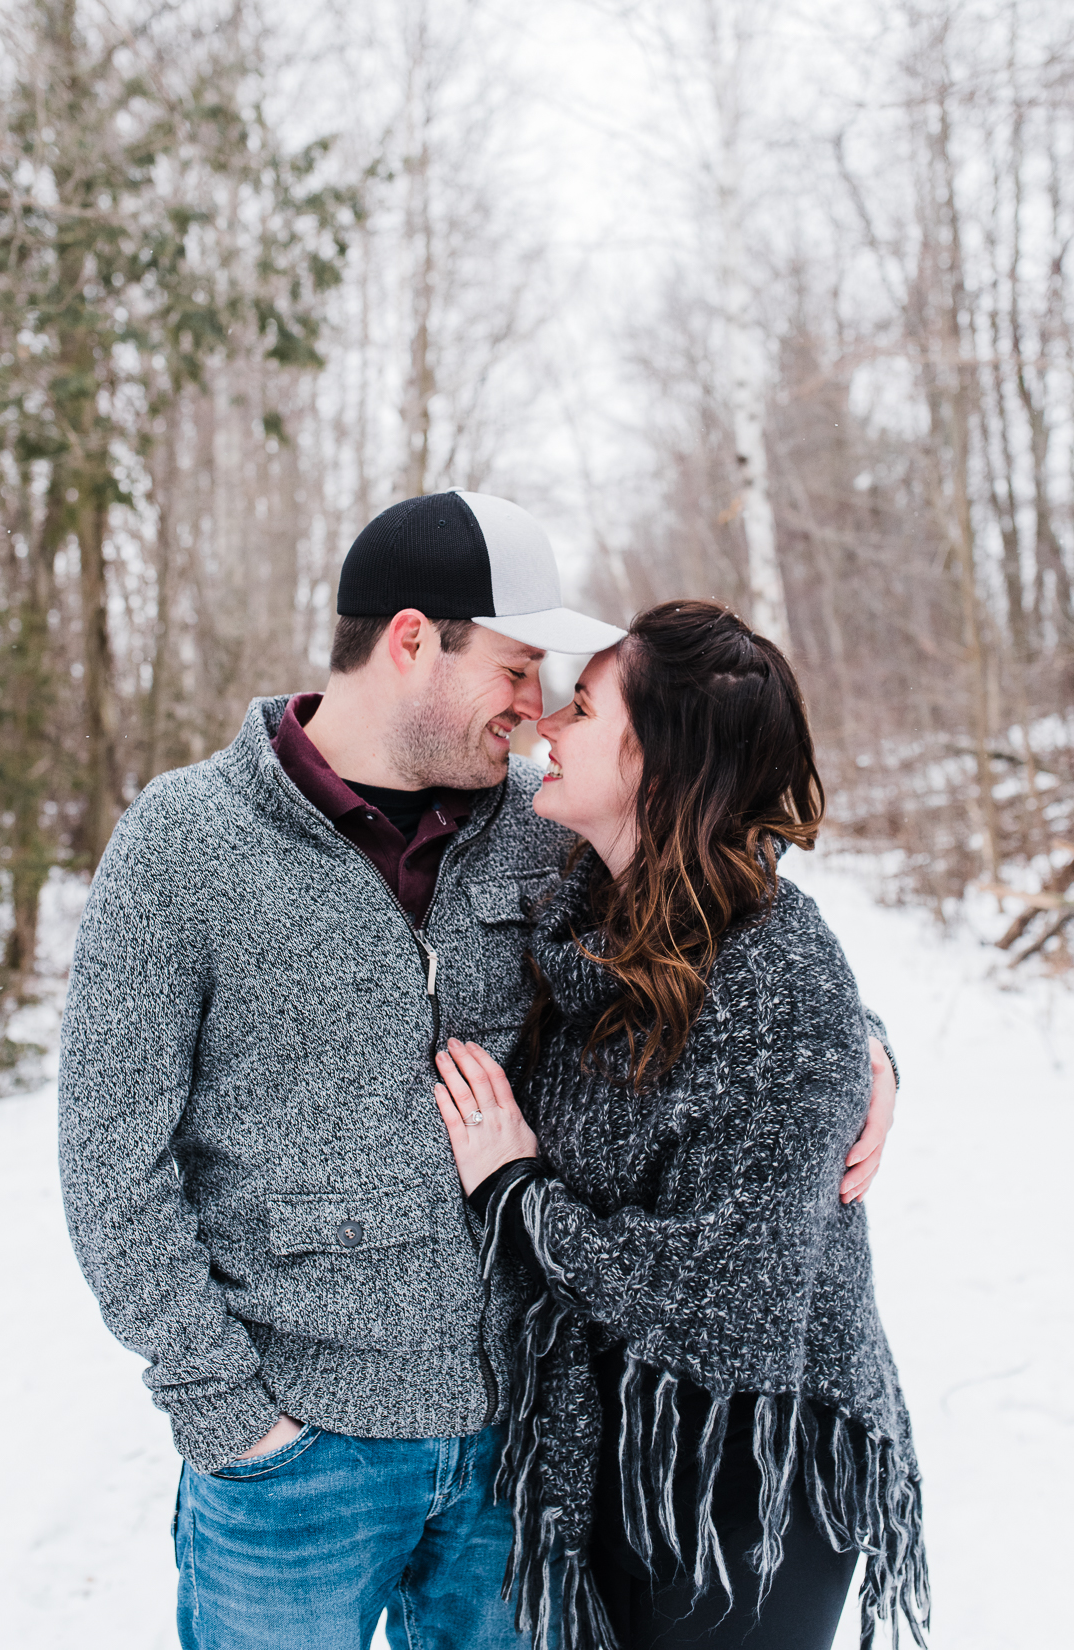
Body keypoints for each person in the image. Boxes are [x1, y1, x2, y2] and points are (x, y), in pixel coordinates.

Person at [58, 495, 896, 1650]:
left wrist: (862, 1041)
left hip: (520, 1456)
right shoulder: (184, 844)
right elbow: (110, 1162)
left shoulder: (541, 827)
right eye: (514, 666)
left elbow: (721, 927)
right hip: (300, 1460)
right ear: (412, 641)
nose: (536, 707)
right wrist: (229, 1417)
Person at [432, 600, 929, 1650]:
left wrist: (516, 1193)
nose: (543, 730)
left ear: (658, 761)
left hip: (745, 1478)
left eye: (579, 706)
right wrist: (865, 1047)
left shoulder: (776, 975)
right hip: (621, 1430)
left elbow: (724, 1297)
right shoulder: (593, 921)